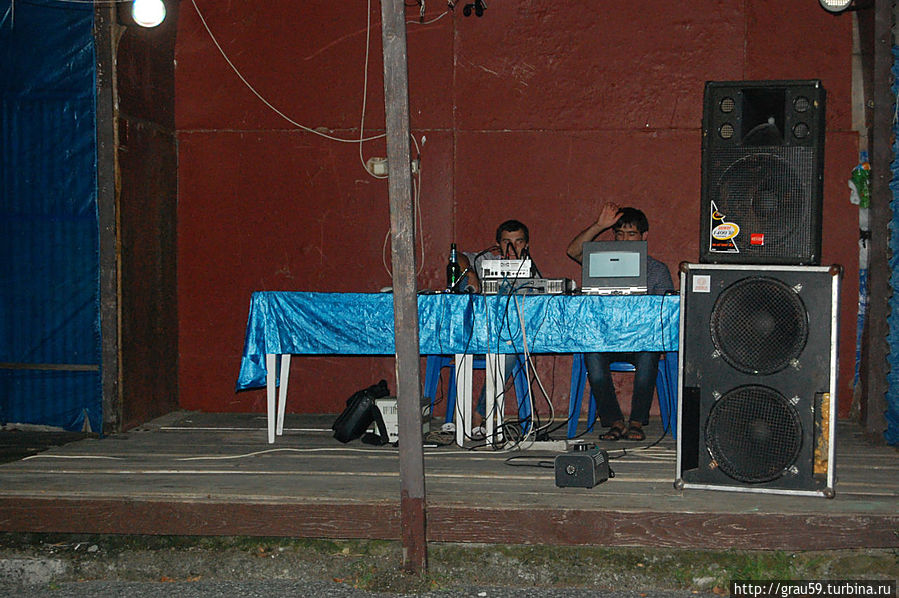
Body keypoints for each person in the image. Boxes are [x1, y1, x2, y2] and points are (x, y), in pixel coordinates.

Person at [566, 204, 673, 441]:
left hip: (641, 341)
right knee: (592, 355)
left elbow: (665, 311)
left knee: (649, 354)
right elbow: (572, 251)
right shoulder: (602, 263)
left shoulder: (657, 270)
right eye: (619, 233)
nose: (624, 239)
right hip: (605, 340)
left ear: (644, 236)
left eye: (631, 234)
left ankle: (636, 422)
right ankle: (614, 421)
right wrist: (599, 226)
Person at [459, 220, 532, 438]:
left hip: (506, 341)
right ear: (498, 244)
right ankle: (470, 415)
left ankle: (480, 414)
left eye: (518, 242)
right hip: (477, 337)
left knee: (508, 353)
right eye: (506, 242)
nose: (512, 247)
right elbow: (457, 256)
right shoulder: (484, 261)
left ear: (526, 245)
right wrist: (470, 273)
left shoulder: (532, 273)